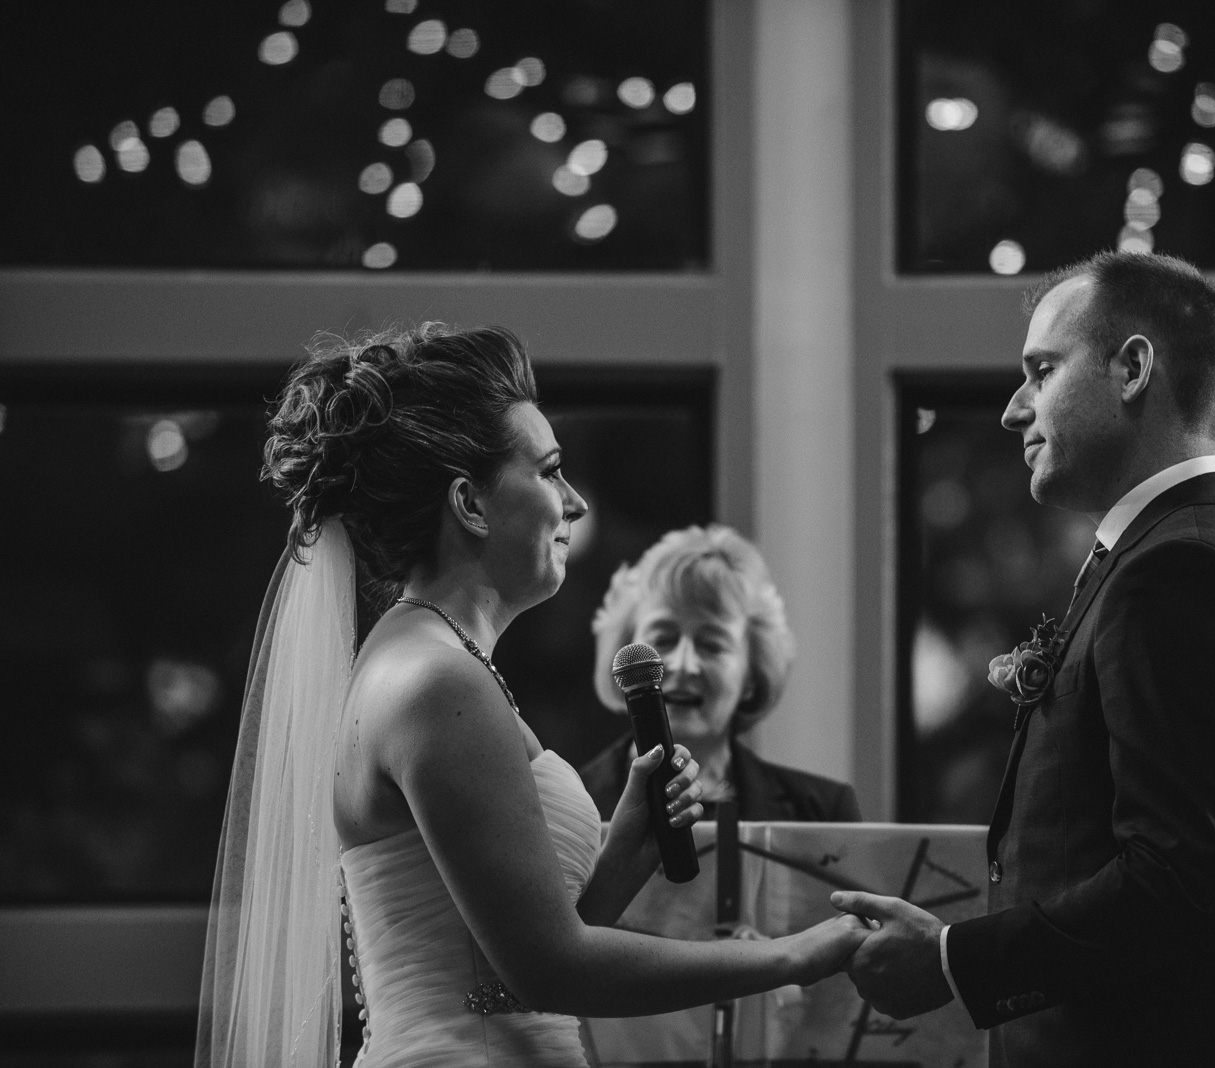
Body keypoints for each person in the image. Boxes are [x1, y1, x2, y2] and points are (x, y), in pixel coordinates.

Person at [194, 324, 868, 1068]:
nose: (574, 503)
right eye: (548, 472)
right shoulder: (436, 680)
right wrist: (798, 954)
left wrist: (618, 857)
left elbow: (505, 977)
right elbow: (550, 971)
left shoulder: (432, 660)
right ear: (471, 505)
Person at [831, 252, 1215, 1066]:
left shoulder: (1182, 572)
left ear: (1133, 367)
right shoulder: (1196, 547)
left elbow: (1177, 887)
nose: (1013, 410)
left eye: (1041, 370)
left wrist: (951, 964)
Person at [581, 525, 861, 822]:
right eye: (663, 639)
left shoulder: (822, 812)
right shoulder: (570, 804)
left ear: (752, 676)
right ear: (624, 657)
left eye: (711, 644)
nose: (683, 665)